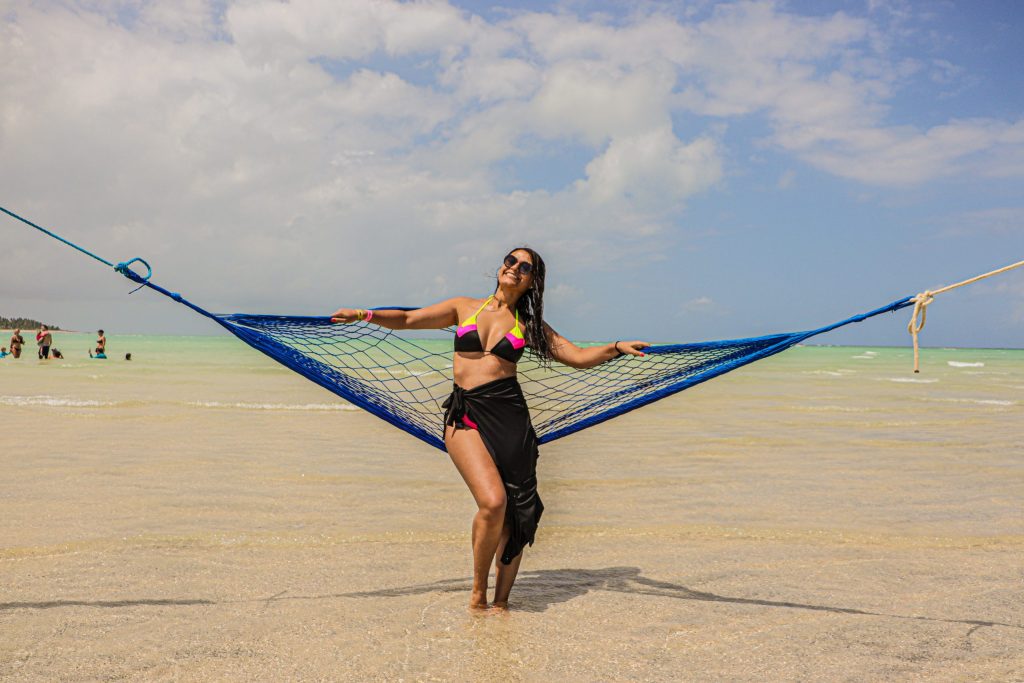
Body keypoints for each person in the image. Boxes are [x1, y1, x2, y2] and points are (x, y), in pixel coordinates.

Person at [331, 248, 648, 611]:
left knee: (516, 514)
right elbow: (406, 318)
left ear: (532, 281)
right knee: (493, 502)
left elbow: (577, 357)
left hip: (510, 418)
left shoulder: (529, 326)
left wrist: (616, 347)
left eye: (524, 267)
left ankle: (501, 606)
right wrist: (362, 314)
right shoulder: (464, 307)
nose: (514, 268)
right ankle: (478, 592)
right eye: (510, 261)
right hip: (465, 413)